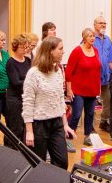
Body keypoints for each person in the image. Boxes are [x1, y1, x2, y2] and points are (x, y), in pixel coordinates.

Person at [22, 36, 75, 169]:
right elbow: (28, 103)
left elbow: (59, 99)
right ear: (50, 51)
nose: (63, 52)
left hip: (56, 123)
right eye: (60, 49)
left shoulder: (57, 71)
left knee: (62, 162)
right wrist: (29, 131)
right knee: (37, 165)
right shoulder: (33, 73)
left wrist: (65, 124)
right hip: (38, 124)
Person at [66, 28, 102, 147]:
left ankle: (88, 136)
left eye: (93, 36)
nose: (92, 38)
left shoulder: (95, 50)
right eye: (89, 36)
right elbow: (69, 72)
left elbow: (97, 70)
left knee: (90, 114)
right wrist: (69, 89)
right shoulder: (77, 51)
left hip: (92, 89)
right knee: (76, 114)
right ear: (84, 38)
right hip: (78, 89)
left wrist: (99, 87)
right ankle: (68, 138)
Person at [4, 33, 32, 149]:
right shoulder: (10, 62)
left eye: (26, 47)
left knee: (25, 128)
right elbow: (15, 82)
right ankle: (11, 152)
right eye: (22, 47)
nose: (25, 49)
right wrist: (30, 82)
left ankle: (22, 152)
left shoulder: (27, 61)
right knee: (15, 128)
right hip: (14, 100)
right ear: (16, 47)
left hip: (25, 98)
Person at [94, 16, 112, 133]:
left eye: (105, 23)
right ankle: (90, 127)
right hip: (94, 76)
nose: (103, 25)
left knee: (109, 100)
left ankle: (104, 121)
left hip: (107, 75)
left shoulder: (108, 40)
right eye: (101, 23)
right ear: (95, 25)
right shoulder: (90, 38)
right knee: (91, 103)